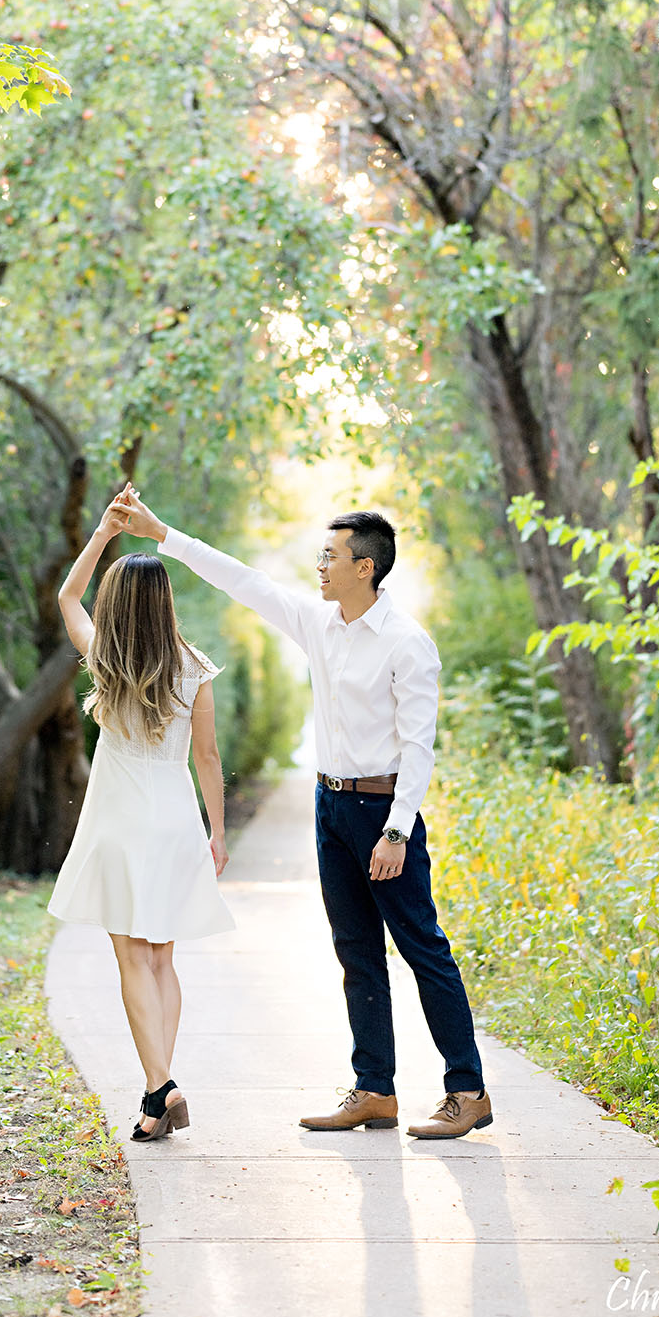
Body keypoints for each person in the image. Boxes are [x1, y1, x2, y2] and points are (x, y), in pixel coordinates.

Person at [117, 484, 492, 1140]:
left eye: (330, 556)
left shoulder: (407, 643)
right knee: (356, 951)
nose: (319, 566)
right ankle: (374, 1089)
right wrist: (160, 533)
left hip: (384, 812)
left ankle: (467, 1089)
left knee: (422, 947)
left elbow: (419, 746)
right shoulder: (319, 623)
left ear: (364, 568)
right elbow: (246, 581)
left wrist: (398, 829)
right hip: (330, 806)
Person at [47, 493, 233, 1142]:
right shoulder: (195, 669)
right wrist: (217, 831)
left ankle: (160, 1086)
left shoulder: (105, 657)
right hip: (176, 820)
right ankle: (158, 1100)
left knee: (131, 960)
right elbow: (207, 758)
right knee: (162, 960)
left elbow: (68, 598)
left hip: (121, 823)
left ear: (116, 607)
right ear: (166, 607)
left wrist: (102, 533)